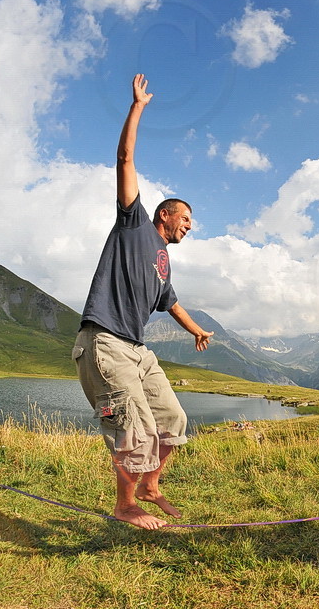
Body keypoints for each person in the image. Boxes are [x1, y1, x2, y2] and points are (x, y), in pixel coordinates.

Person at [72, 74, 214, 529]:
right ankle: (125, 505)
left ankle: (151, 485)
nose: (189, 226)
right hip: (106, 343)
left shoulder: (164, 264)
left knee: (173, 420)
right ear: (164, 214)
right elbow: (125, 158)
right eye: (186, 218)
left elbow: (171, 303)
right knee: (135, 429)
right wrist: (138, 107)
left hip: (136, 349)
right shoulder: (133, 225)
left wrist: (196, 331)